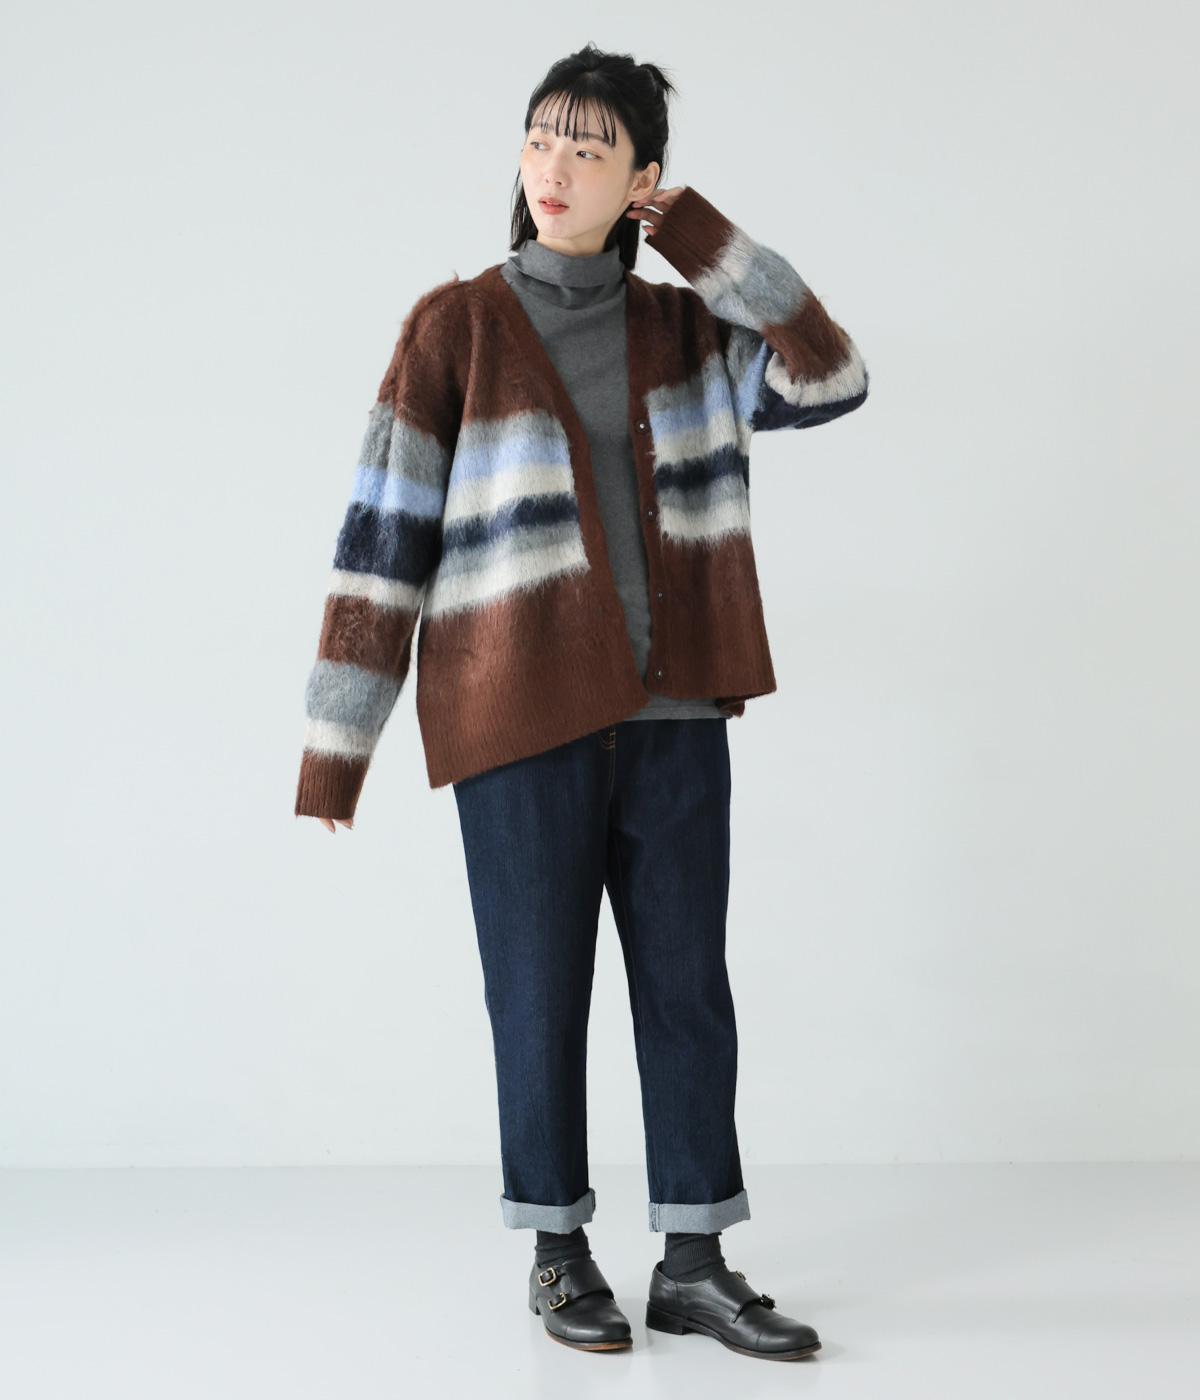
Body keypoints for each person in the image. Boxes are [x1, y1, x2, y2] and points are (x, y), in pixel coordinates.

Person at [294, 42, 868, 1361]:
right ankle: (558, 1254)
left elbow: (831, 372)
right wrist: (336, 751)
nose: (553, 167)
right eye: (540, 139)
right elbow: (382, 538)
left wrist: (704, 241)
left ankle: (695, 1262)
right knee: (539, 992)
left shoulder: (686, 331)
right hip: (519, 715)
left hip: (676, 713)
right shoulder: (455, 326)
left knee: (687, 988)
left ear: (643, 180)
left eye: (590, 148)